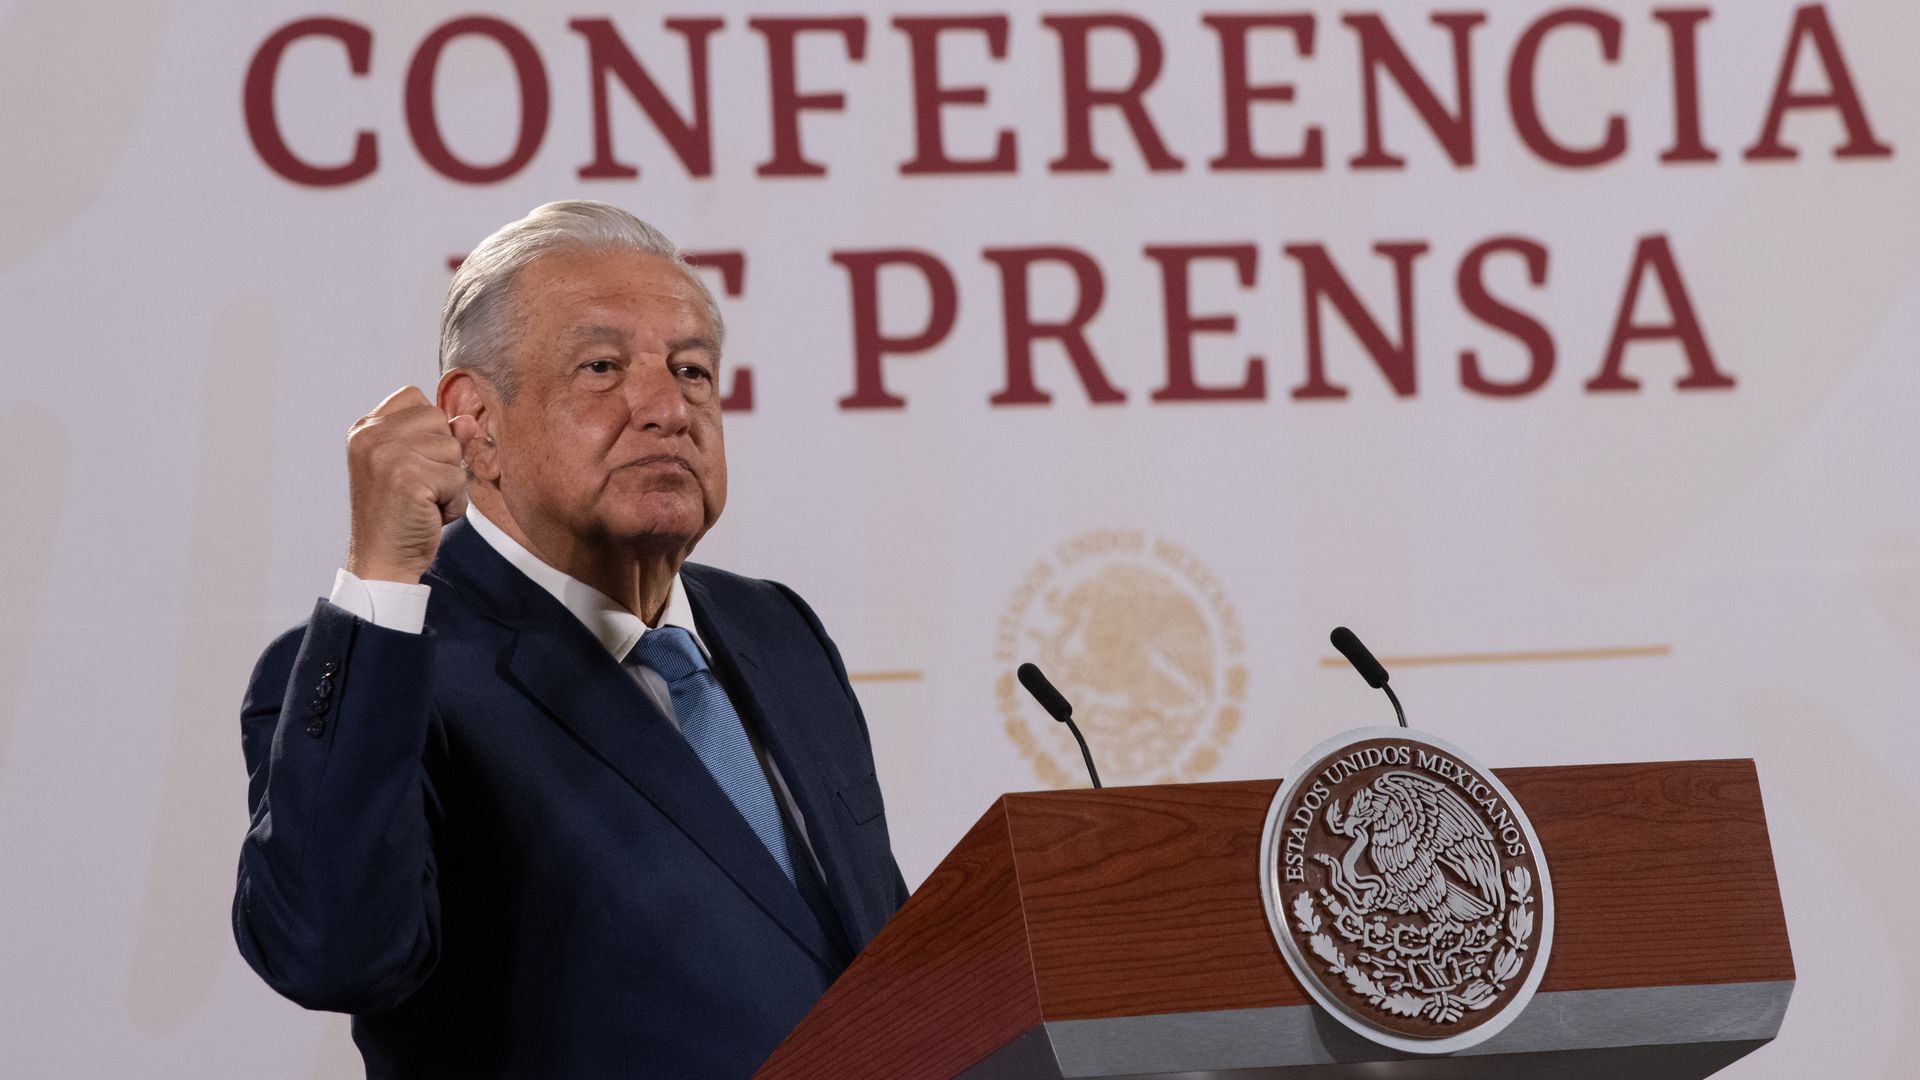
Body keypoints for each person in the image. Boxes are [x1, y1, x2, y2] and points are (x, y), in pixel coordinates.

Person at [232, 201, 909, 1079]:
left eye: (693, 371)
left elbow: (867, 952)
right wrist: (381, 576)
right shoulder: (389, 664)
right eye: (602, 367)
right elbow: (330, 952)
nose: (667, 406)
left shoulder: (777, 629)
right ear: (474, 422)